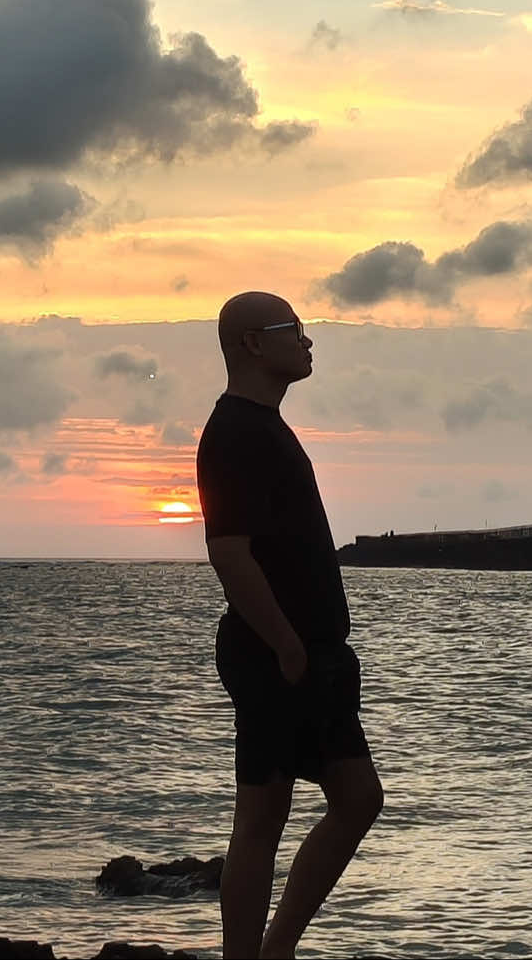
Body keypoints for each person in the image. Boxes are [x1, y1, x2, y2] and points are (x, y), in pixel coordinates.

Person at [196, 291, 383, 959]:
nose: (307, 340)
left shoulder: (265, 424)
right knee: (263, 818)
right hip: (278, 654)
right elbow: (228, 549)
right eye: (293, 329)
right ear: (252, 342)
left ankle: (274, 950)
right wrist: (285, 643)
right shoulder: (235, 430)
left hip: (309, 654)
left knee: (357, 797)